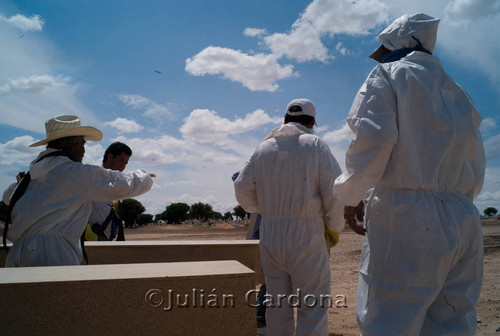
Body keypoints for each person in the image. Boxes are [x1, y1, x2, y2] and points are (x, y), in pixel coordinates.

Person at [334, 13, 486, 335]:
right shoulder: (459, 93)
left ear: (396, 42)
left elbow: (373, 143)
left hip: (407, 219)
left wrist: (350, 195)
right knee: (452, 321)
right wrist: (452, 203)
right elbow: (476, 164)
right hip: (462, 216)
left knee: (390, 320)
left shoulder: (387, 75)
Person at [234, 98, 344, 336]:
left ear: (284, 120)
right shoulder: (315, 144)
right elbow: (335, 193)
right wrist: (334, 227)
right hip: (308, 234)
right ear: (313, 121)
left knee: (277, 304)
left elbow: (242, 186)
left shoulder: (263, 148)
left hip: (271, 234)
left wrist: (265, 210)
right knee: (312, 306)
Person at [3, 115, 153, 267]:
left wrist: (19, 182)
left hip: (18, 257)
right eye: (82, 144)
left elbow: (8, 197)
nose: (83, 151)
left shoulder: (32, 174)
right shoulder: (75, 173)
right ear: (72, 144)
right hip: (53, 257)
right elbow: (126, 184)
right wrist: (145, 175)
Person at [87, 142, 133, 241]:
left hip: (106, 240)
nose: (123, 166)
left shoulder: (116, 184)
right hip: (90, 242)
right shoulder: (92, 178)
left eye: (125, 163)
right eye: (121, 161)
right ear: (110, 156)